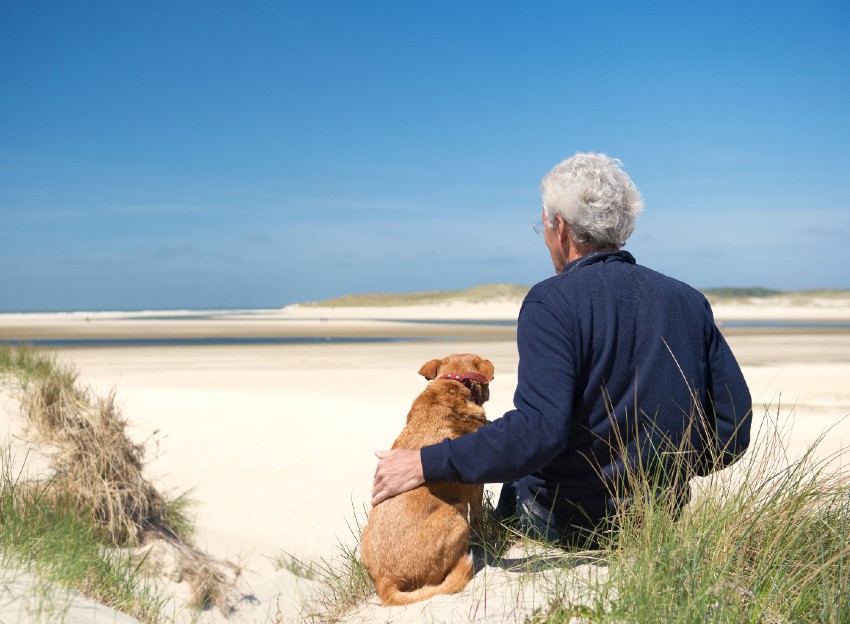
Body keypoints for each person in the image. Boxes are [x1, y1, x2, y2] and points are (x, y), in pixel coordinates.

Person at [371, 152, 752, 547]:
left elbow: (538, 431)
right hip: (660, 519)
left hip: (564, 523)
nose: (546, 236)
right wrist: (667, 477)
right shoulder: (687, 300)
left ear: (560, 227)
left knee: (520, 475)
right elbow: (732, 429)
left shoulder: (550, 302)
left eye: (543, 226)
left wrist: (425, 462)